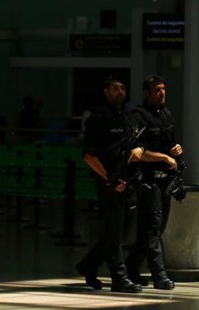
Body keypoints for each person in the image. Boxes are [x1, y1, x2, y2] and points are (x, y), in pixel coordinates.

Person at [75, 76, 144, 293]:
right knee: (114, 232)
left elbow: (138, 145)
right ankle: (119, 278)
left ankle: (88, 265)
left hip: (129, 181)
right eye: (115, 88)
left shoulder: (128, 117)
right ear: (106, 91)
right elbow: (88, 155)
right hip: (109, 181)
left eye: (123, 88)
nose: (120, 91)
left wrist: (140, 151)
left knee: (121, 231)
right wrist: (108, 180)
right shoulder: (98, 118)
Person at [125, 75, 182, 291]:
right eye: (157, 89)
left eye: (163, 89)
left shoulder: (166, 115)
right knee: (152, 227)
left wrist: (175, 151)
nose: (162, 93)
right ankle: (159, 275)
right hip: (148, 181)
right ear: (147, 92)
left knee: (154, 229)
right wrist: (163, 157)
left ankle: (131, 267)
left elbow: (170, 144)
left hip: (165, 180)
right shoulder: (139, 116)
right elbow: (137, 153)